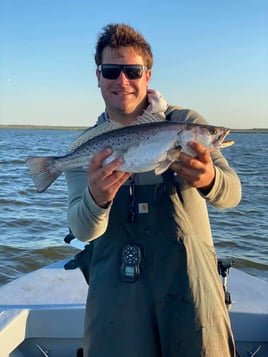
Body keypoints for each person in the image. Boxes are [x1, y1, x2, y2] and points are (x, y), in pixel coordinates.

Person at [65, 23, 241, 357]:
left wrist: (208, 180)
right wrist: (97, 199)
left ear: (148, 75)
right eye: (112, 71)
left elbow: (232, 195)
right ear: (98, 76)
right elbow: (82, 229)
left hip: (189, 286)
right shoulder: (89, 145)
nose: (122, 81)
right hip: (115, 292)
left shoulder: (185, 122)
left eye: (132, 71)